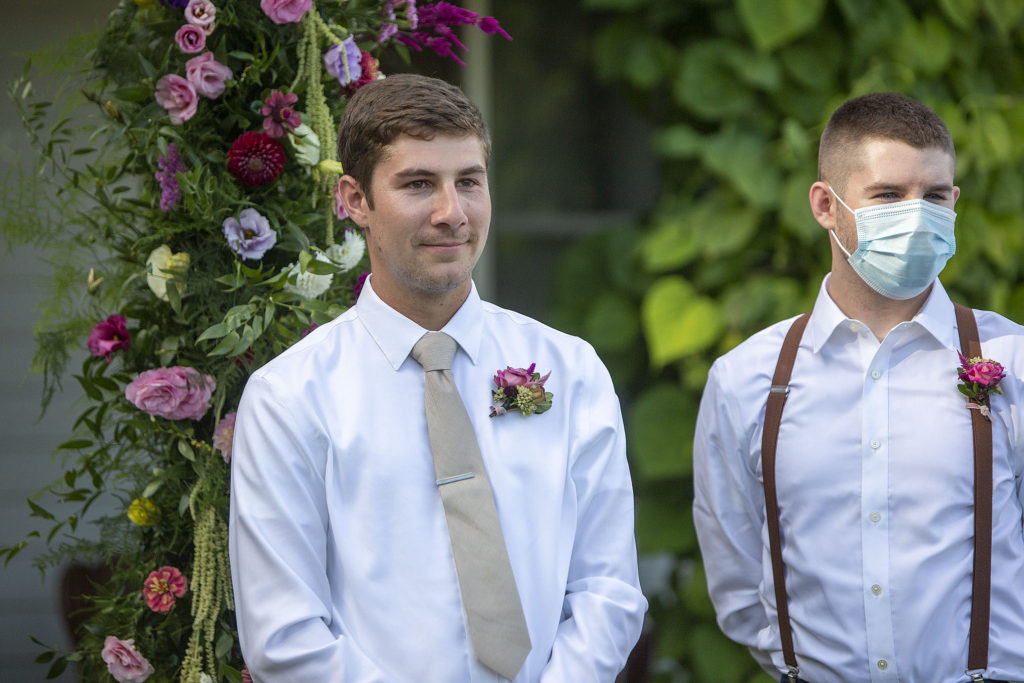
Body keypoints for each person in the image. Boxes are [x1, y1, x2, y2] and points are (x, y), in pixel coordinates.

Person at [229, 73, 647, 682]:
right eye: (419, 184)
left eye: (469, 182)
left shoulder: (571, 370)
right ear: (355, 200)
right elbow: (284, 635)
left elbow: (606, 587)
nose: (452, 213)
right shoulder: (290, 398)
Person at [693, 92, 1024, 683]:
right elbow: (739, 575)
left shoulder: (1014, 360)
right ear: (827, 205)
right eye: (890, 196)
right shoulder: (746, 379)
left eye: (937, 196)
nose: (918, 214)